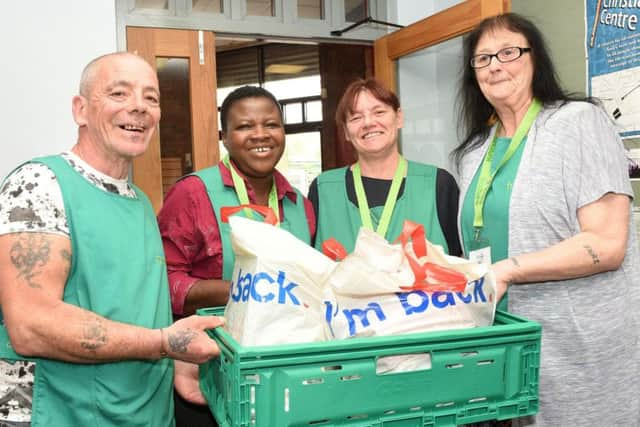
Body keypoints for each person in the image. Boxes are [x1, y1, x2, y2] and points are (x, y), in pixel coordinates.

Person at [0, 52, 223, 427]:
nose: (138, 107)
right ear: (81, 110)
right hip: (62, 414)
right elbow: (31, 325)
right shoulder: (40, 184)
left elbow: (136, 314)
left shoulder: (137, 202)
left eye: (151, 98)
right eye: (119, 93)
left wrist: (176, 362)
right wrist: (164, 343)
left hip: (144, 414)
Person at [454, 13, 640, 426]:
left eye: (508, 52)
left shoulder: (578, 122)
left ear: (535, 59)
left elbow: (608, 244)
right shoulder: (474, 152)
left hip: (580, 347)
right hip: (507, 344)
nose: (495, 65)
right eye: (482, 59)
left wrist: (508, 270)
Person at [157, 85, 316, 425]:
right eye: (245, 126)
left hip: (286, 377)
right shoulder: (193, 193)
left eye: (271, 124)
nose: (261, 135)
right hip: (208, 379)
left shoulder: (299, 204)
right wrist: (239, 291)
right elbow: (163, 280)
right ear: (224, 137)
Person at [308, 78, 461, 256]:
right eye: (356, 117)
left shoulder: (438, 184)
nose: (368, 122)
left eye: (379, 112)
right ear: (346, 132)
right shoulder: (324, 190)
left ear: (399, 118)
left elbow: (460, 264)